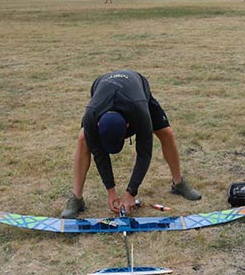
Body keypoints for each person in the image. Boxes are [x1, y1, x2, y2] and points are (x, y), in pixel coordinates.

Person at [61, 70, 201, 218]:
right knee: (83, 139)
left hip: (136, 89)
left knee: (167, 133)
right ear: (98, 126)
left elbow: (144, 153)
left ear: (129, 126)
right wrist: (111, 190)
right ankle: (77, 199)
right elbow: (99, 153)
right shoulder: (92, 115)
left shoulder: (140, 112)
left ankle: (178, 183)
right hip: (102, 91)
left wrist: (131, 192)